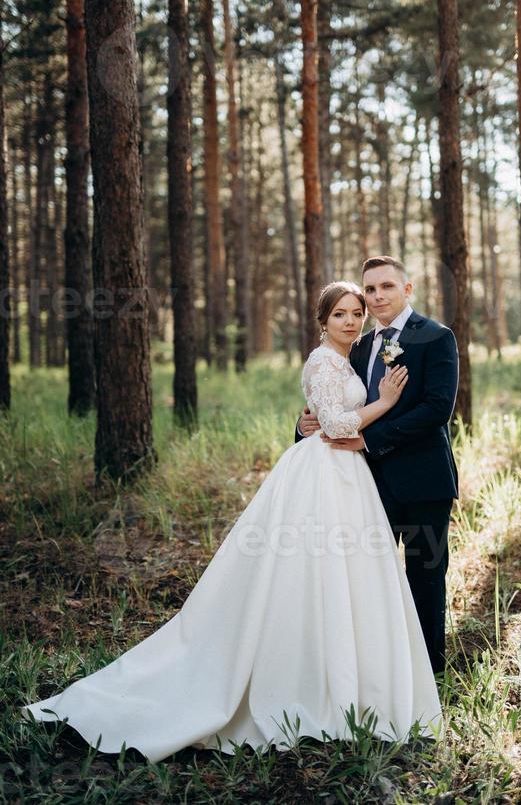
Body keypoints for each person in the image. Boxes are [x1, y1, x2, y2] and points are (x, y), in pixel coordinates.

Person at [21, 281, 442, 764]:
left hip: (347, 476)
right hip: (322, 473)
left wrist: (334, 416)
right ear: (321, 321)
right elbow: (334, 424)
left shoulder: (350, 358)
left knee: (344, 576)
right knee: (305, 572)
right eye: (340, 314)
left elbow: (329, 417)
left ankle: (345, 677)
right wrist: (383, 403)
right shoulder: (322, 361)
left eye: (356, 313)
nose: (350, 321)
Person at [297, 257, 459, 675]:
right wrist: (302, 425)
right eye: (370, 289)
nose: (377, 295)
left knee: (425, 579)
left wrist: (370, 439)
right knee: (368, 578)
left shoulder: (436, 337)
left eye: (387, 286)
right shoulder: (362, 345)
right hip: (366, 484)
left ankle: (429, 673)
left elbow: (437, 409)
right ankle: (380, 669)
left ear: (407, 290)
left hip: (423, 483)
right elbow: (335, 403)